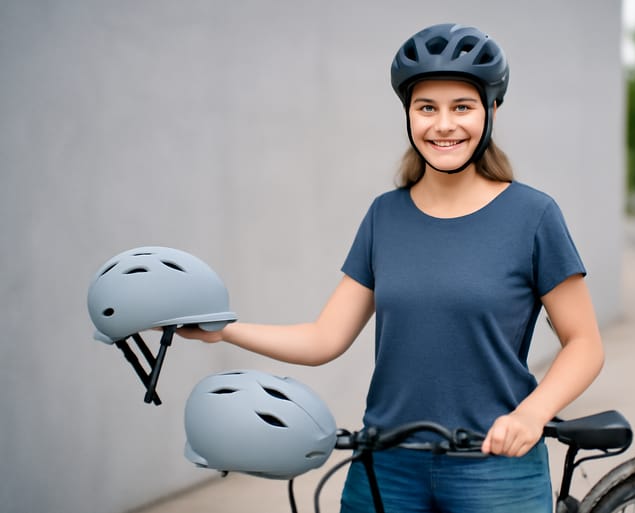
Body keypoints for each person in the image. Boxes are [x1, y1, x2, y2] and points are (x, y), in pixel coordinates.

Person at [178, 23, 604, 513]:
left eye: (461, 107)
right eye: (427, 108)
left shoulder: (533, 216)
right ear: (408, 114)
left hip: (495, 464)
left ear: (491, 111)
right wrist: (225, 330)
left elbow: (585, 343)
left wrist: (532, 415)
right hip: (385, 464)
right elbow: (325, 338)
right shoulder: (385, 216)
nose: (444, 125)